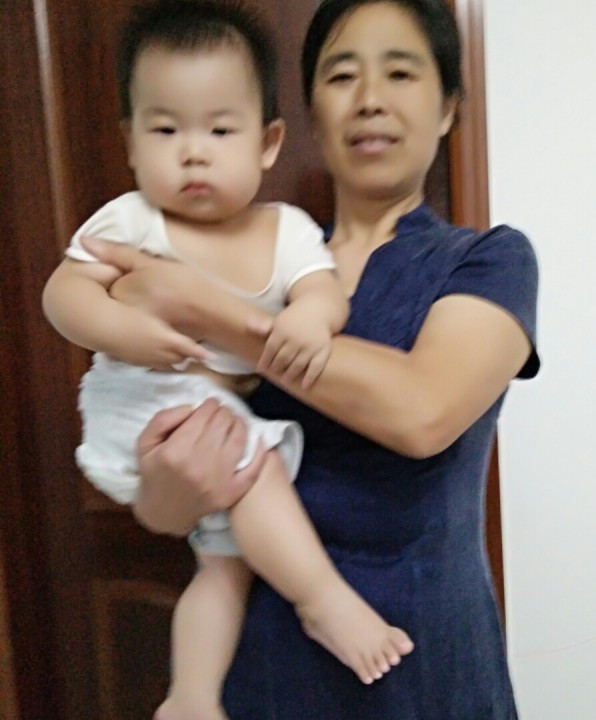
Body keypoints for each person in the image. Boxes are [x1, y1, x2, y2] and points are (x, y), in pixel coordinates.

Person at [83, 0, 541, 717]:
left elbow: (422, 413)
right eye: (341, 75)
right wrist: (165, 496)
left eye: (400, 73)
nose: (370, 99)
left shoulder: (488, 260)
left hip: (423, 662)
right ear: (309, 115)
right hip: (264, 663)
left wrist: (202, 306)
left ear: (449, 107)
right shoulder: (257, 259)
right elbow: (177, 476)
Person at [42, 2, 415, 719]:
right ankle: (322, 599)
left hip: (210, 416)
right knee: (257, 466)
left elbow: (325, 294)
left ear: (269, 143)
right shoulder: (132, 219)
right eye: (165, 130)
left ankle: (191, 696)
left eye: (219, 130)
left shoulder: (288, 232)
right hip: (137, 402)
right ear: (129, 141)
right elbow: (63, 294)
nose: (193, 152)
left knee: (225, 565)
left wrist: (308, 317)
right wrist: (121, 329)